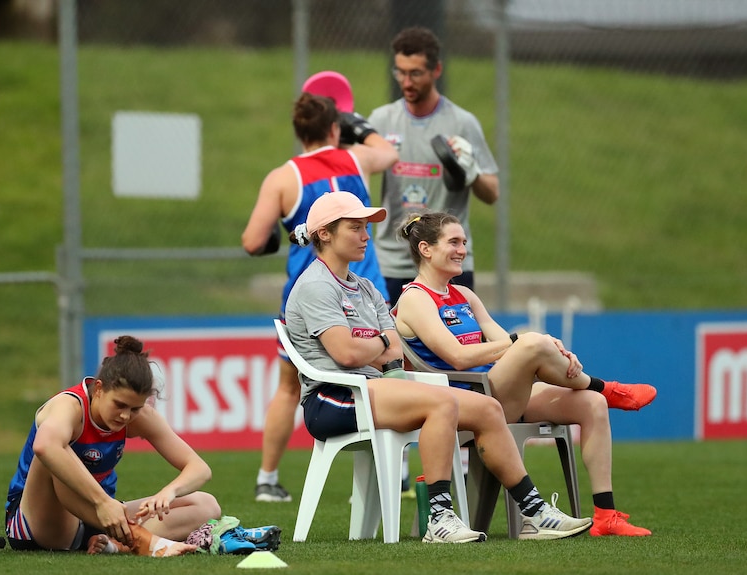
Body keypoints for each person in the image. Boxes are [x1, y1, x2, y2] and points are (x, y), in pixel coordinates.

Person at [283, 191, 593, 542]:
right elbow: (347, 354)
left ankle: (535, 514)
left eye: (366, 228)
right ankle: (439, 519)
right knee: (442, 401)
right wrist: (380, 343)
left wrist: (378, 345)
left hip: (374, 388)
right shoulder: (315, 285)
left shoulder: (365, 287)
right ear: (325, 233)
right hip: (334, 398)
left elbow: (394, 349)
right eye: (356, 228)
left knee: (489, 408)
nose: (367, 236)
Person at [393, 212, 656, 537]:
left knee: (590, 405)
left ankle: (606, 515)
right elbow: (458, 357)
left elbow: (505, 344)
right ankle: (608, 388)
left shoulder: (464, 295)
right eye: (454, 242)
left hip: (497, 390)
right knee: (531, 341)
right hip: (466, 401)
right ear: (426, 249)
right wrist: (528, 343)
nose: (463, 249)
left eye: (464, 242)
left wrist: (547, 350)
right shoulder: (415, 299)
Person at [242, 91, 398, 502]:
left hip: (308, 299)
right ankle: (385, 475)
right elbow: (386, 152)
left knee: (289, 387)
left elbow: (252, 240)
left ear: (299, 132)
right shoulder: (356, 159)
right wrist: (359, 126)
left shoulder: (282, 177)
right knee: (385, 374)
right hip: (365, 296)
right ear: (335, 128)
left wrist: (277, 240)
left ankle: (267, 480)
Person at [4, 336, 222, 556]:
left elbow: (199, 468)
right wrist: (102, 502)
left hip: (103, 518)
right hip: (38, 522)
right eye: (119, 405)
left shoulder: (139, 416)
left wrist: (168, 493)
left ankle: (114, 545)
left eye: (135, 408)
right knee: (55, 450)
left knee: (206, 505)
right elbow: (43, 447)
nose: (126, 415)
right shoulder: (69, 406)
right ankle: (140, 539)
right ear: (99, 389)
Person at [368, 26, 499, 305]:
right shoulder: (381, 120)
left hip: (447, 263)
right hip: (392, 262)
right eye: (400, 72)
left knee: (456, 347)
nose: (406, 82)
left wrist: (472, 172)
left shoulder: (462, 123)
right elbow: (356, 171)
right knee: (391, 347)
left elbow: (492, 193)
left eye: (415, 73)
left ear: (436, 70)